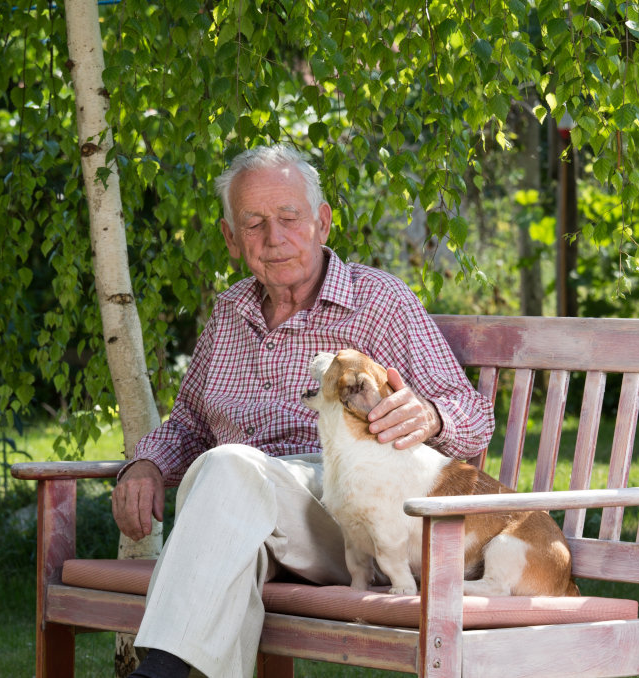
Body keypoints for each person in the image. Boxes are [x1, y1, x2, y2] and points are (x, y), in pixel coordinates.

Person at [112, 145, 495, 678]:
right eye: (254, 223)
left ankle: (158, 673)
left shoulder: (379, 302)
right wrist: (147, 464)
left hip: (347, 521)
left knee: (229, 466)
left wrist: (430, 415)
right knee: (231, 504)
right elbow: (187, 426)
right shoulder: (228, 314)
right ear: (230, 238)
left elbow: (472, 410)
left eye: (290, 218)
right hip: (241, 523)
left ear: (322, 223)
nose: (275, 237)